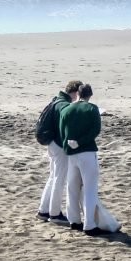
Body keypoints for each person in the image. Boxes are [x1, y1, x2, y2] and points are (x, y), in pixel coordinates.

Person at [59, 83, 103, 235]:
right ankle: (89, 224)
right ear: (90, 95)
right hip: (87, 152)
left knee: (72, 188)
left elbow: (62, 131)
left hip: (71, 154)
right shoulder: (92, 109)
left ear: (77, 93)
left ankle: (74, 220)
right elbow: (95, 130)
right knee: (90, 189)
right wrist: (81, 142)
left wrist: (69, 145)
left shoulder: (66, 110)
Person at [37, 80, 82, 223]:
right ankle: (55, 213)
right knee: (59, 179)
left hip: (51, 142)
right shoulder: (64, 104)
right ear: (75, 92)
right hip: (58, 144)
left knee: (53, 177)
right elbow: (66, 125)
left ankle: (43, 211)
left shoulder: (56, 100)